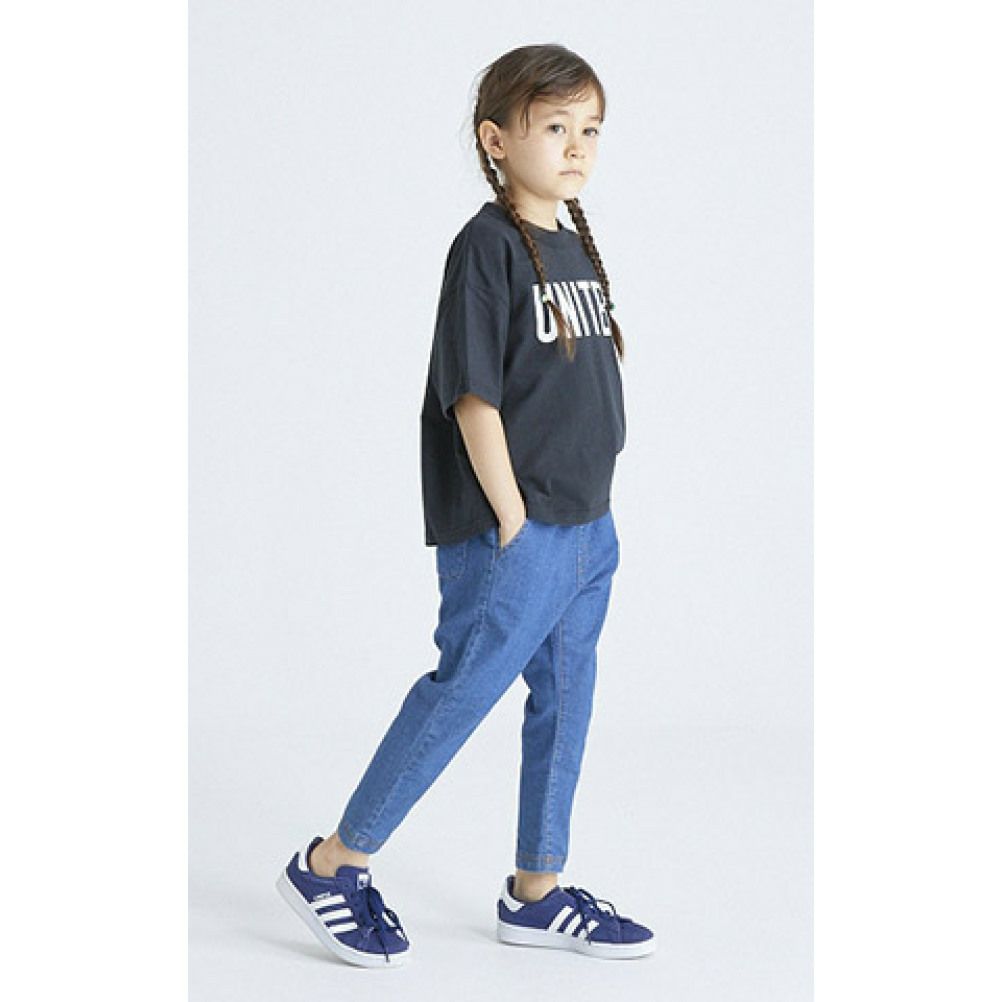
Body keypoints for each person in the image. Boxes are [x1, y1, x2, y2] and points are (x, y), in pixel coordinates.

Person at [276, 43, 655, 968]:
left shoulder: (573, 243)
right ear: (496, 140)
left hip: (589, 525)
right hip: (516, 533)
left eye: (590, 128)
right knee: (460, 696)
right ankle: (332, 865)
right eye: (554, 126)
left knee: (567, 704)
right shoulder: (486, 248)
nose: (577, 145)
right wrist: (511, 516)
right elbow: (472, 396)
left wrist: (588, 505)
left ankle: (537, 892)